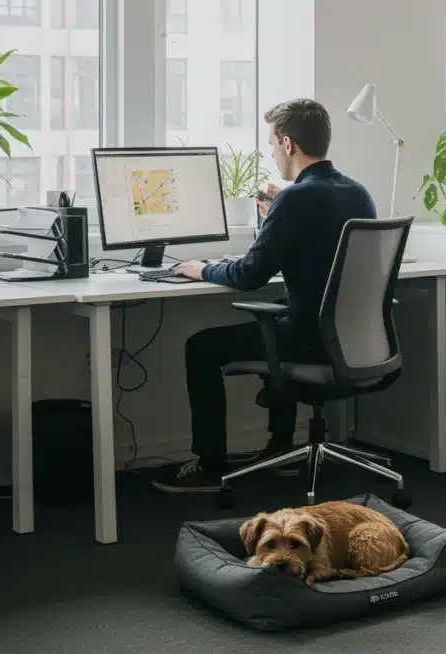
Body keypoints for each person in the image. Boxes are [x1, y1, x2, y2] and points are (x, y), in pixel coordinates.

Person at [152, 99, 378, 493]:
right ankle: (281, 449)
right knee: (277, 313)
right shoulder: (359, 193)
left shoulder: (294, 199)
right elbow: (315, 245)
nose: (272, 153)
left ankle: (210, 465)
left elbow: (248, 274)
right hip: (355, 342)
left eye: (272, 144)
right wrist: (276, 213)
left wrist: (200, 268)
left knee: (201, 347)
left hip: (309, 341)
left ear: (288, 144)